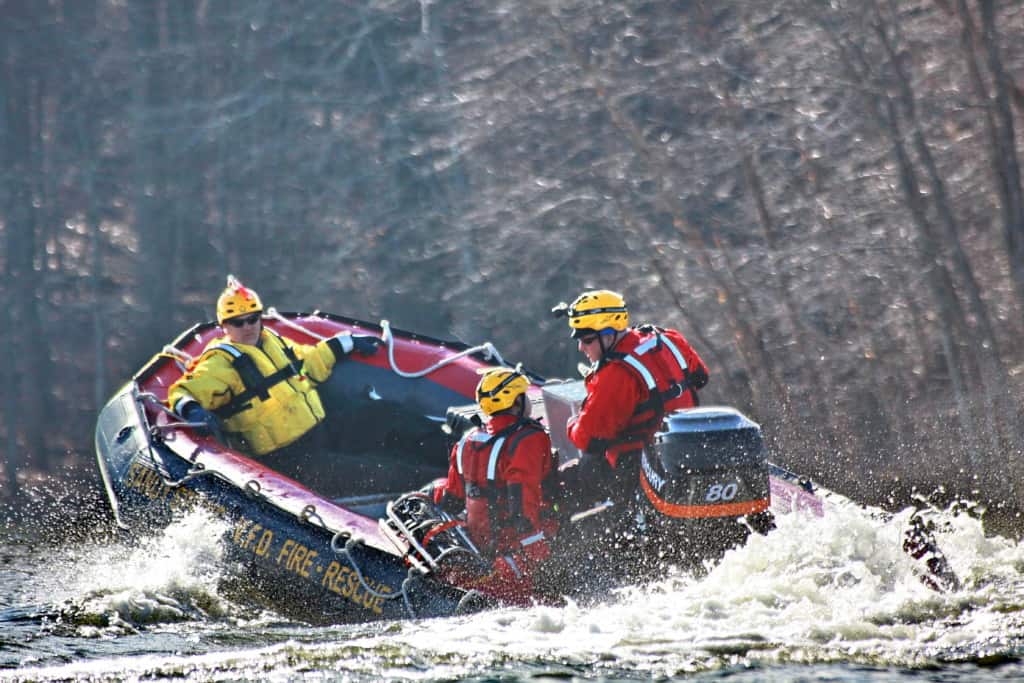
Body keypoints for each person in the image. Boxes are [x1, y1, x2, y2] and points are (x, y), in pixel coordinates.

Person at [167, 276, 383, 482]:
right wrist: (192, 409)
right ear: (224, 326)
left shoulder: (272, 341)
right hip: (287, 460)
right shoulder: (220, 362)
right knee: (380, 471)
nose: (247, 327)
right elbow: (181, 392)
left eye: (252, 319)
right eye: (237, 323)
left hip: (317, 432)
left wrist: (344, 343)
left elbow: (309, 364)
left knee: (383, 416)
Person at [551, 289, 709, 507]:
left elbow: (589, 439)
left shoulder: (616, 373)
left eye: (587, 339)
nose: (581, 347)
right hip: (691, 446)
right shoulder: (667, 338)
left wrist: (572, 424)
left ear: (609, 335)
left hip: (641, 467)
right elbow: (701, 377)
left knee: (572, 476)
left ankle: (607, 523)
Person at [433, 366, 559, 605]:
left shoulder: (467, 442)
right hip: (517, 552)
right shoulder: (529, 440)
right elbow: (524, 507)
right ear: (516, 402)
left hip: (479, 547)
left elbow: (451, 498)